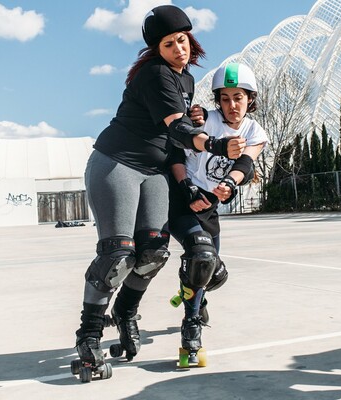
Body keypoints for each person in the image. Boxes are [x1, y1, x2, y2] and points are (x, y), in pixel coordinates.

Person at [72, 5, 246, 381]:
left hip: (155, 171)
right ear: (157, 50)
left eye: (182, 40)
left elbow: (179, 124)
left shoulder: (185, 79)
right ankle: (88, 336)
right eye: (168, 44)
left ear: (191, 40)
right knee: (118, 255)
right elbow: (177, 128)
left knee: (152, 253)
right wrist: (213, 143)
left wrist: (194, 117)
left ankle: (125, 312)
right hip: (117, 162)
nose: (178, 49)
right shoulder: (154, 74)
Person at [167, 62, 268, 365]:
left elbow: (244, 165)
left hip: (209, 207)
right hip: (183, 201)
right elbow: (174, 154)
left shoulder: (255, 131)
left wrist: (227, 185)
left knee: (212, 272)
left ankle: (192, 292)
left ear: (250, 99)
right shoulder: (203, 121)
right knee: (202, 258)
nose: (232, 105)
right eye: (225, 99)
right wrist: (187, 188)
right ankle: (191, 327)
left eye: (238, 97)